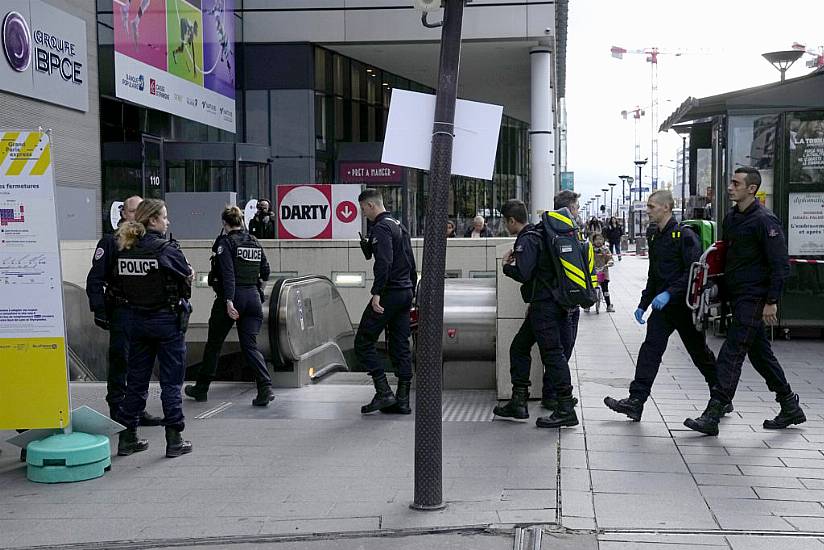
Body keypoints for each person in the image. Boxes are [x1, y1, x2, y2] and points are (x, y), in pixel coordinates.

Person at [685, 167, 805, 435]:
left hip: (755, 297)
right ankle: (789, 404)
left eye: (736, 183)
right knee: (760, 354)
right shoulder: (731, 218)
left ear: (751, 189)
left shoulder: (765, 221)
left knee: (732, 352)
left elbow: (779, 264)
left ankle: (714, 412)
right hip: (737, 296)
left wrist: (771, 300)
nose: (730, 187)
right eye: (730, 182)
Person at [604, 190, 724, 422]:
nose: (648, 211)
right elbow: (654, 274)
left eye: (651, 206)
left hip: (684, 306)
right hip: (663, 309)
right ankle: (636, 401)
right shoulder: (655, 236)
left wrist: (670, 293)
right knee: (650, 349)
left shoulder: (685, 236)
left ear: (666, 207)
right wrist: (643, 303)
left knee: (700, 354)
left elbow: (692, 272)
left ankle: (721, 396)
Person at [115, 199, 194, 458]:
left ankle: (128, 437)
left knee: (136, 382)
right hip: (166, 321)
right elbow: (186, 275)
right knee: (171, 383)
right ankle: (174, 439)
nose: (167, 222)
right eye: (164, 217)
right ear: (153, 220)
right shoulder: (165, 249)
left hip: (137, 320)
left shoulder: (126, 248)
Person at [493, 198, 578, 428]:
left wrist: (506, 266)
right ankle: (519, 401)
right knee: (520, 347)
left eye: (505, 221)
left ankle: (566, 407)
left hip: (545, 306)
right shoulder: (540, 235)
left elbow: (524, 272)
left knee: (552, 354)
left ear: (512, 220)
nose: (505, 226)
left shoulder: (528, 239)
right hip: (549, 304)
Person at [185, 206, 274, 407]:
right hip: (253, 298)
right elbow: (266, 272)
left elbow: (228, 275)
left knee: (214, 345)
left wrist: (229, 301)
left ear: (224, 224)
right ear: (241, 221)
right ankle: (265, 387)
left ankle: (201, 388)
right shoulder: (254, 241)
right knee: (250, 345)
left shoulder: (226, 243)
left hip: (232, 298)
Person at [86, 195, 162, 427]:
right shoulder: (111, 242)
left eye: (141, 211)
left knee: (140, 364)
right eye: (132, 211)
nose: (136, 216)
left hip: (144, 311)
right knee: (121, 360)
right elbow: (95, 280)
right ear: (123, 214)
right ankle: (118, 409)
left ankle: (136, 408)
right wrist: (99, 310)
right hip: (122, 311)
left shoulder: (148, 243)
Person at [354, 188, 417, 415]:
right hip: (405, 293)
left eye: (363, 209)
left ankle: (383, 392)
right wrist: (412, 291)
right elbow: (410, 261)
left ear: (371, 205)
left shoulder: (381, 227)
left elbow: (384, 261)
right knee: (400, 345)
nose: (364, 214)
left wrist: (377, 291)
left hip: (389, 293)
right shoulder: (399, 225)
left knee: (363, 342)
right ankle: (402, 400)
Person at [541, 190, 583, 413]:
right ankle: (555, 396)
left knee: (562, 349)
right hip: (562, 302)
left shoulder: (567, 232)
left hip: (568, 301)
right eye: (576, 208)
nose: (578, 212)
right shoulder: (555, 232)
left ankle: (555, 394)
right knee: (559, 350)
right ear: (568, 209)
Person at [592, 233, 615, 313]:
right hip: (593, 272)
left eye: (600, 239)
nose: (598, 241)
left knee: (605, 290)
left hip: (603, 272)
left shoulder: (606, 249)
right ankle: (587, 305)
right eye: (596, 239)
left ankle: (608, 305)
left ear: (603, 240)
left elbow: (610, 258)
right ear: (593, 241)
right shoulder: (590, 249)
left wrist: (609, 263)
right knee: (589, 288)